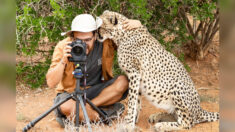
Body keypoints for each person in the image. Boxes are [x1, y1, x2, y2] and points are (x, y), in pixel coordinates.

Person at [46, 13, 142, 127]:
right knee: (66, 106)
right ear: (72, 37)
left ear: (95, 35)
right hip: (71, 93)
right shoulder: (63, 46)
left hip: (96, 91)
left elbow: (128, 40)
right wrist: (63, 61)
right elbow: (51, 82)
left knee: (124, 82)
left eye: (87, 40)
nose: (83, 44)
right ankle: (104, 114)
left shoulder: (105, 42)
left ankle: (82, 113)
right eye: (78, 40)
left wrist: (138, 25)